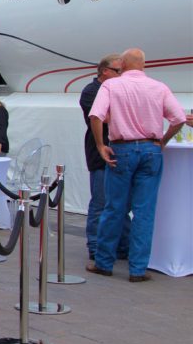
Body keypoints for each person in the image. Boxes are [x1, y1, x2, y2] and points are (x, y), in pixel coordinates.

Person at [87, 48, 186, 282]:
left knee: (114, 207)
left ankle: (104, 262)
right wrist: (163, 140)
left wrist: (101, 145)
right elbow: (179, 118)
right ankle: (138, 269)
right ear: (143, 65)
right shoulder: (159, 86)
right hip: (151, 149)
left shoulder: (112, 86)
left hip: (122, 148)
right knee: (144, 211)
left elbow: (96, 116)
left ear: (122, 64)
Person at [80, 54, 130, 261]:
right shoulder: (91, 91)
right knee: (100, 201)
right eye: (118, 71)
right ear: (105, 71)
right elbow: (103, 117)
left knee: (121, 202)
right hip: (99, 152)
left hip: (118, 150)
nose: (122, 75)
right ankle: (95, 245)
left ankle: (123, 245)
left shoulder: (117, 88)